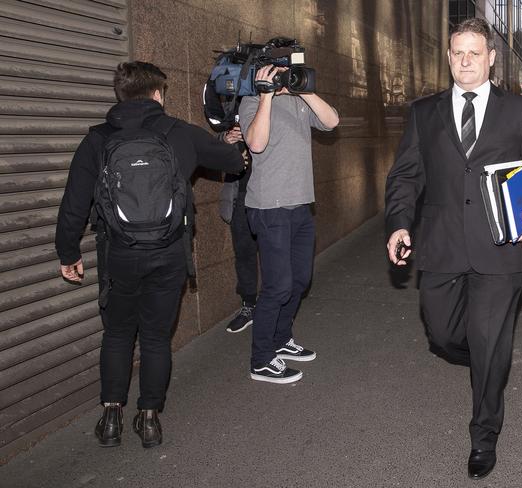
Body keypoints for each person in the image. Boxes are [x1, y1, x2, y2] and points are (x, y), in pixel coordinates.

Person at [385, 18, 522, 480]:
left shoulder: (519, 110)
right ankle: (486, 356)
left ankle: (484, 435)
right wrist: (399, 225)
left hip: (499, 249)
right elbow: (406, 176)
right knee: (442, 335)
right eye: (457, 53)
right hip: (441, 246)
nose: (465, 61)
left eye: (474, 53)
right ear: (448, 58)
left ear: (491, 59)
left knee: (489, 342)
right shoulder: (424, 113)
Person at [55, 61, 243, 448]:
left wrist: (68, 251)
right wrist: (230, 144)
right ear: (159, 94)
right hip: (169, 253)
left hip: (118, 255)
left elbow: (73, 203)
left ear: (120, 95)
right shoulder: (180, 132)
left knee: (119, 333)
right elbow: (234, 163)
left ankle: (110, 419)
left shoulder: (97, 139)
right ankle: (150, 419)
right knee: (156, 338)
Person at [238, 53, 339, 384]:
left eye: (287, 73)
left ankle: (281, 342)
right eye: (277, 72)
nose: (283, 78)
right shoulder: (251, 101)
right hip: (270, 207)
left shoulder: (299, 103)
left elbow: (332, 121)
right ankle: (261, 359)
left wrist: (305, 89)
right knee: (277, 286)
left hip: (301, 206)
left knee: (300, 281)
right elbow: (256, 142)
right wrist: (266, 94)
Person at [216, 122, 259, 333]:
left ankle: (274, 305)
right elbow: (211, 143)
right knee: (244, 252)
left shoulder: (274, 100)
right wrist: (227, 139)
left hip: (271, 193)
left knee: (275, 251)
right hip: (240, 193)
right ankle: (249, 305)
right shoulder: (232, 103)